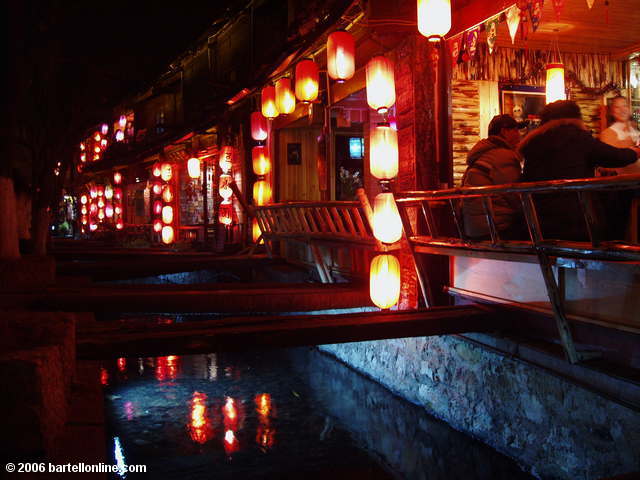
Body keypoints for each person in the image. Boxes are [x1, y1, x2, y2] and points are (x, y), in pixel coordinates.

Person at [519, 100, 640, 240]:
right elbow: (616, 157)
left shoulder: (534, 142)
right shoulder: (577, 137)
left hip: (534, 219)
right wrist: (636, 150)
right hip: (574, 218)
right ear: (576, 118)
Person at [461, 114, 525, 239]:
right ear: (504, 131)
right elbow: (513, 194)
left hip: (474, 227)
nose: (519, 135)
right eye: (516, 130)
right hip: (495, 227)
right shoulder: (504, 155)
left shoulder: (484, 154)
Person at [600, 95, 640, 175]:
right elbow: (608, 165)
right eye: (617, 107)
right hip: (625, 183)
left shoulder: (635, 130)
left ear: (629, 109)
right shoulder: (608, 134)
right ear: (612, 112)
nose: (622, 110)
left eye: (624, 106)